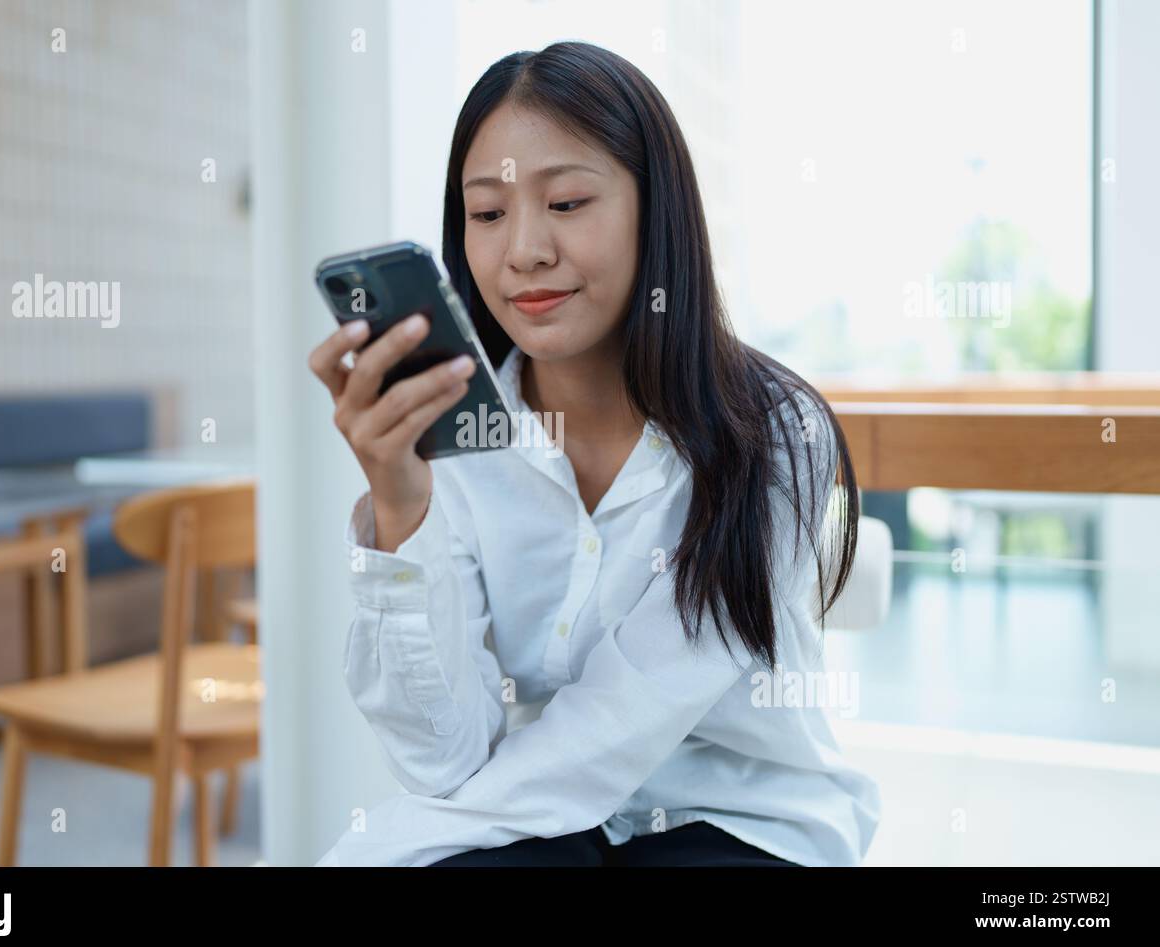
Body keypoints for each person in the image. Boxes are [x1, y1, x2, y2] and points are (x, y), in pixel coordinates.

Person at [308, 41, 880, 867]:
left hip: (743, 818)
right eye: (488, 212)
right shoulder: (458, 444)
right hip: (539, 820)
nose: (525, 250)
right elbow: (444, 758)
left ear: (660, 212)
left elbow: (619, 724)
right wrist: (402, 506)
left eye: (568, 202)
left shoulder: (776, 435)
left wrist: (380, 848)